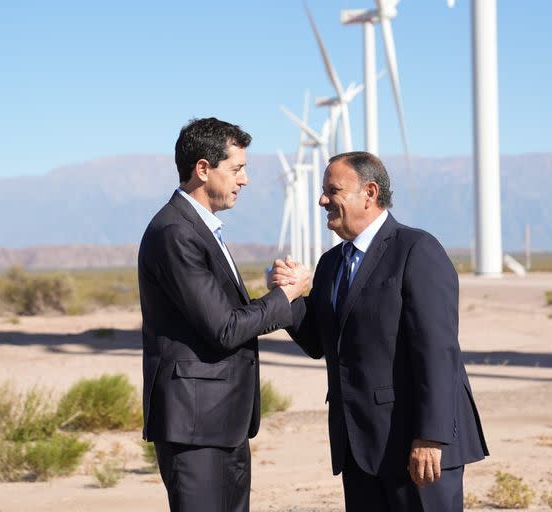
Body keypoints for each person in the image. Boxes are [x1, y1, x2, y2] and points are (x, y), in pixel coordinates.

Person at [270, 151, 488, 512]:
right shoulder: (330, 264)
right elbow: (318, 342)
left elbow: (437, 351)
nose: (322, 200)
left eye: (332, 190)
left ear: (369, 193)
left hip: (416, 447)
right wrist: (288, 296)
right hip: (359, 448)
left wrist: (430, 437)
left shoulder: (416, 249)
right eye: (322, 191)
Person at [138, 117, 309, 512]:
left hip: (221, 421)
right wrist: (285, 296)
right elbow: (224, 328)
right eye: (236, 169)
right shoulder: (175, 232)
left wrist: (274, 295)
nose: (244, 180)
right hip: (195, 426)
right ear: (203, 169)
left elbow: (221, 315)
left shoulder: (199, 229)